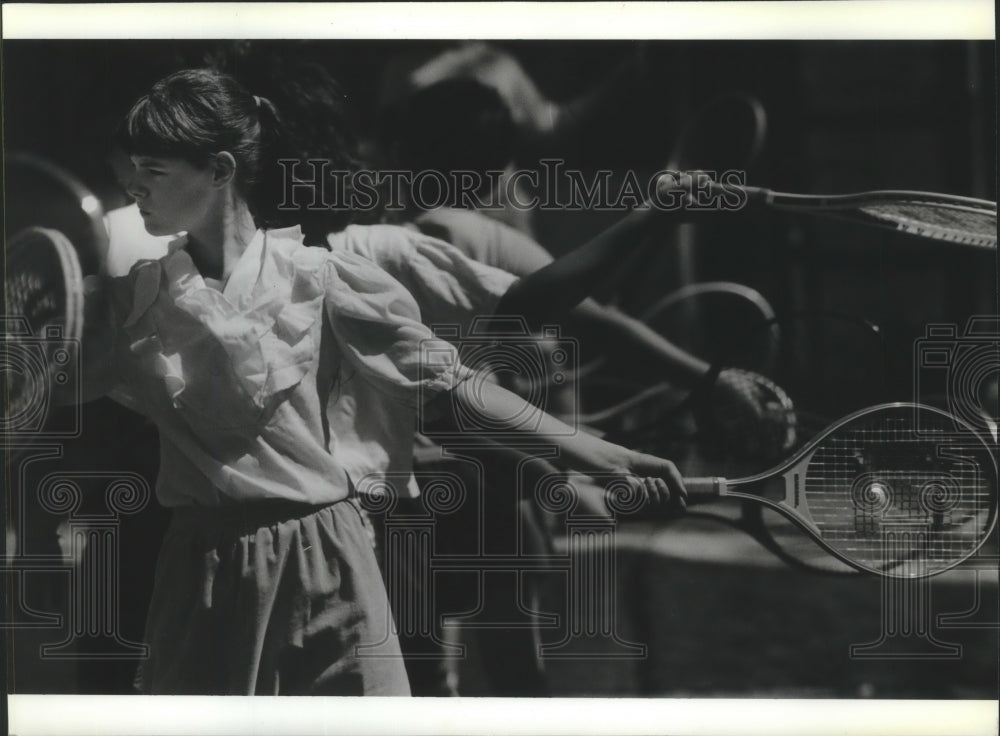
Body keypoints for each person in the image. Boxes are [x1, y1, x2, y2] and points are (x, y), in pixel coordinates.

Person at [72, 67, 688, 696]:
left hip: (329, 561)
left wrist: (603, 453)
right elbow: (36, 388)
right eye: (133, 168)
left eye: (154, 169)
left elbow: (453, 383)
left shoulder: (324, 277)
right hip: (203, 571)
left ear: (221, 170)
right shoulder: (128, 306)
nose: (132, 184)